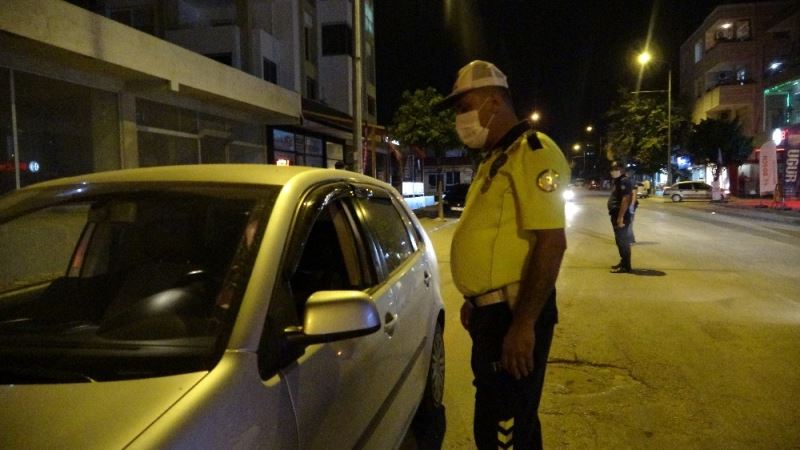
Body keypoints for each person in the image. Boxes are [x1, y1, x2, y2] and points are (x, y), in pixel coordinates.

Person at [435, 60, 570, 449]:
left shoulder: (534, 152)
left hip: (513, 313)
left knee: (502, 430)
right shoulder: (499, 157)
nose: (460, 119)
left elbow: (551, 243)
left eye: (465, 107)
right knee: (511, 420)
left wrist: (523, 324)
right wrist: (475, 299)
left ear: (494, 102)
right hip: (492, 315)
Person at [607, 161, 635, 273]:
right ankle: (624, 262)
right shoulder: (618, 181)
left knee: (622, 241)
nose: (613, 171)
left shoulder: (624, 181)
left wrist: (620, 217)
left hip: (620, 215)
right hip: (616, 214)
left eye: (616, 169)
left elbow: (626, 199)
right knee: (619, 240)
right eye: (612, 169)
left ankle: (626, 266)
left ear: (622, 170)